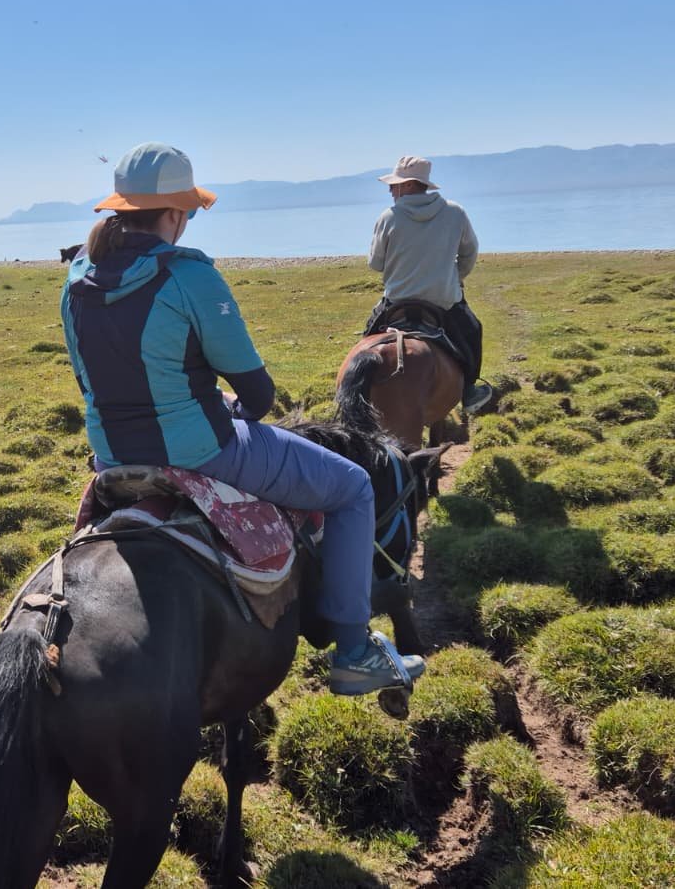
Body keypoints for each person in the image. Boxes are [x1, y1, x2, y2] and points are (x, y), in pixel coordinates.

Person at [61, 141, 424, 695]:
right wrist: (231, 408)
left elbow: (92, 381)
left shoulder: (77, 278)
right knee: (351, 488)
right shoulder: (189, 277)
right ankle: (354, 650)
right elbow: (255, 392)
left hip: (111, 454)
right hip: (202, 448)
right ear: (178, 214)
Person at [367, 155, 492, 413]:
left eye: (394, 184)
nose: (391, 190)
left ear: (409, 185)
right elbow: (470, 252)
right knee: (472, 331)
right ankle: (469, 391)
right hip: (444, 301)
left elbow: (375, 264)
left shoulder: (388, 217)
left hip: (398, 301)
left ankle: (359, 388)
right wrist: (456, 279)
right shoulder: (455, 212)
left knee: (369, 337)